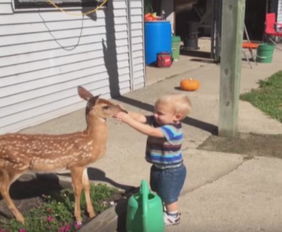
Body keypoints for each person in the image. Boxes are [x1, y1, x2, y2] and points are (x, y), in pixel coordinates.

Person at [114, 93, 192, 226]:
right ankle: (161, 208)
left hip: (172, 171)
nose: (155, 115)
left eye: (160, 113)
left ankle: (173, 217)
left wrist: (128, 120)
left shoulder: (172, 129)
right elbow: (141, 117)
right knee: (158, 189)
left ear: (177, 117)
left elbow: (150, 131)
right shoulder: (158, 120)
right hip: (159, 167)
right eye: (154, 111)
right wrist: (124, 112)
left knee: (169, 196)